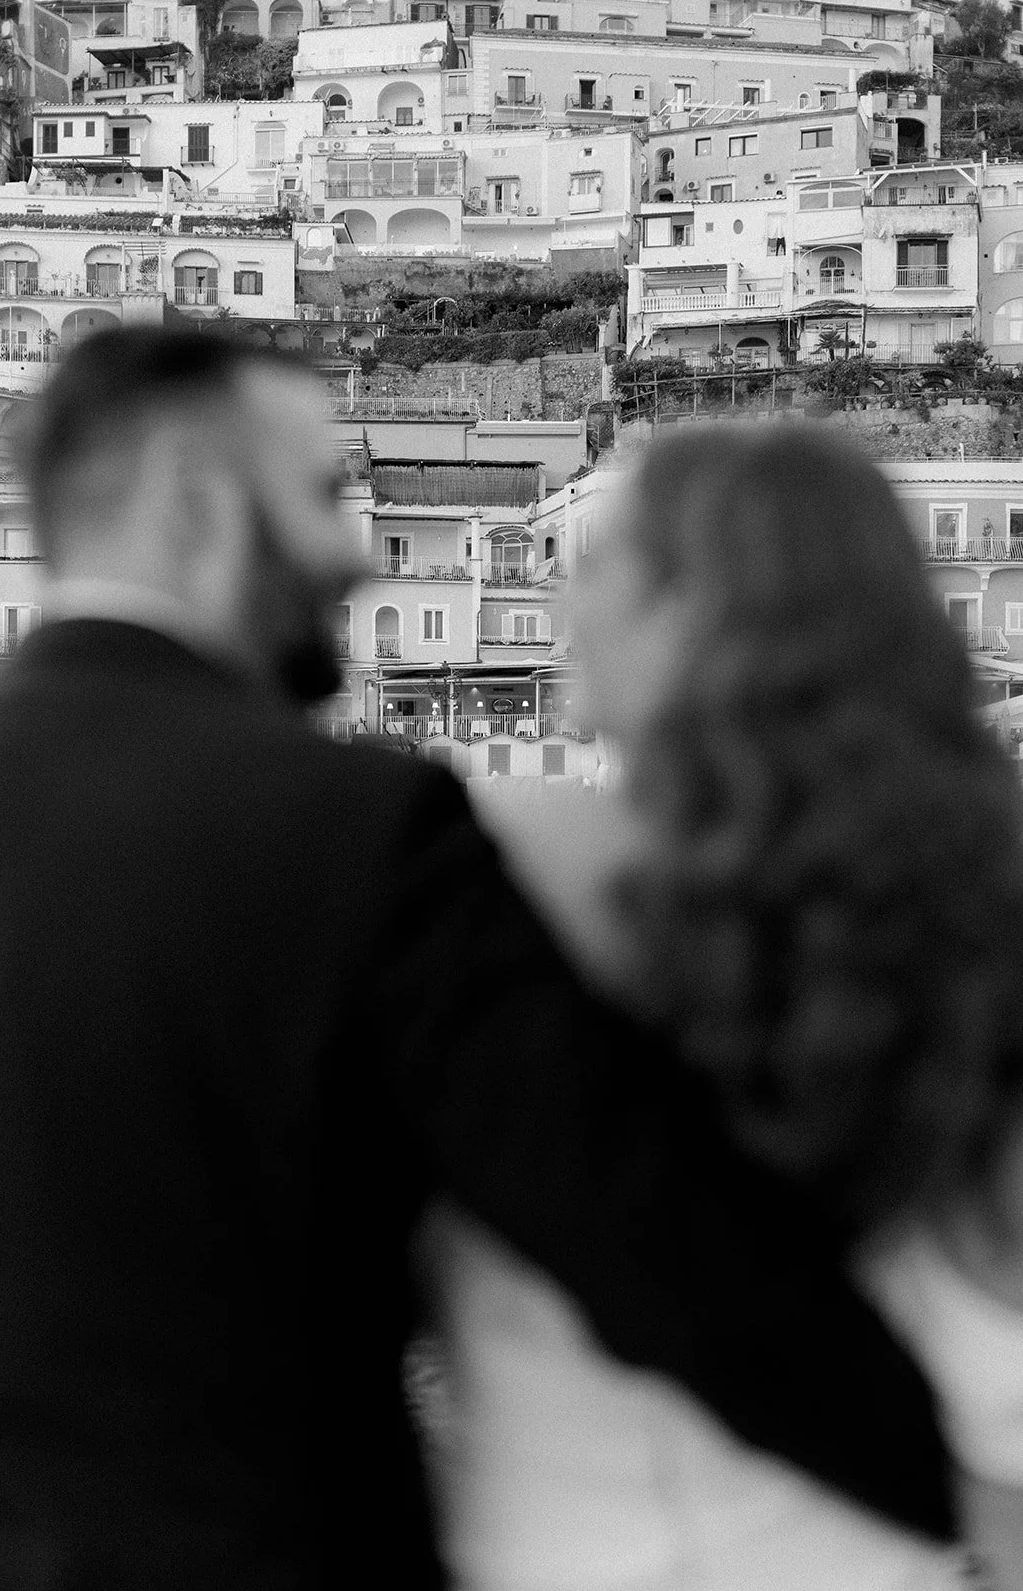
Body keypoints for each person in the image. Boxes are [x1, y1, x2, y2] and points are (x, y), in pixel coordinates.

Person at [0, 331, 955, 1588]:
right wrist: (942, 1488)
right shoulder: (351, 827)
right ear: (194, 502)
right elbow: (639, 1231)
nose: (356, 554)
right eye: (319, 492)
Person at [427, 422, 1023, 1590]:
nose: (563, 599)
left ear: (692, 609)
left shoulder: (491, 879)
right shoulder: (971, 905)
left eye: (599, 563)